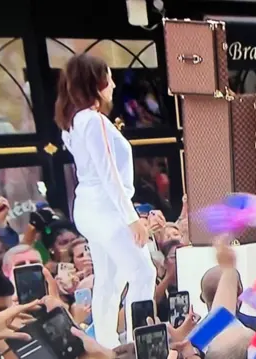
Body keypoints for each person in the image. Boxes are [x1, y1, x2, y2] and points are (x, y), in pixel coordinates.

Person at [54, 53, 155, 348]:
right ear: (96, 82)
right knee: (142, 272)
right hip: (105, 208)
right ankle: (141, 344)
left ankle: (109, 344)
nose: (112, 83)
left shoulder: (73, 122)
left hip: (90, 207)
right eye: (108, 77)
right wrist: (132, 218)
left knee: (110, 280)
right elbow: (109, 173)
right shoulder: (92, 121)